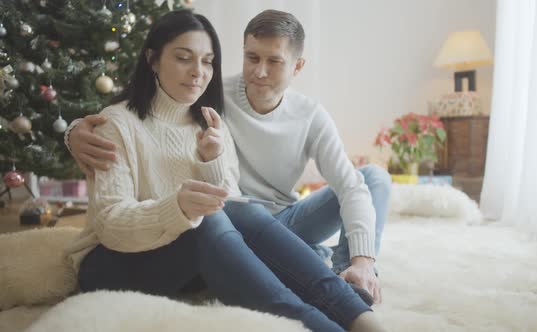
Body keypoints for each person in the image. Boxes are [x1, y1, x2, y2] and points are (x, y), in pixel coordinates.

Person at [64, 10, 387, 332]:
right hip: (114, 264)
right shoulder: (117, 124)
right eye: (183, 58)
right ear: (152, 59)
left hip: (199, 251)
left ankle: (360, 317)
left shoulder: (209, 118)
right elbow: (111, 225)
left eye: (207, 62)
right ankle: (316, 323)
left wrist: (212, 159)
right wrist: (73, 131)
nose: (197, 73)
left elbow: (229, 204)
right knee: (215, 218)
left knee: (230, 211)